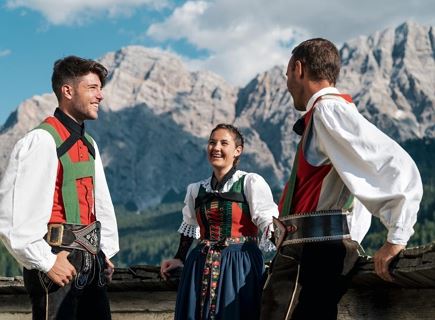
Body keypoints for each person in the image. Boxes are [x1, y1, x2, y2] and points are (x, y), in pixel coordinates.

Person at [260, 38, 423, 320]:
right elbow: (357, 179)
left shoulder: (328, 110)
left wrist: (397, 236)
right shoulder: (327, 113)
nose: (287, 83)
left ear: (299, 69)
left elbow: (395, 165)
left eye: (287, 74)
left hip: (309, 256)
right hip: (312, 254)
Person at [0, 56, 119, 320]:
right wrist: (46, 262)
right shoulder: (41, 140)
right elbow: (12, 218)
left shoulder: (89, 144)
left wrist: (103, 253)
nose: (100, 96)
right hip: (56, 261)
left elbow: (102, 204)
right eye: (92, 88)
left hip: (92, 264)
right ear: (67, 90)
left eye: (100, 89)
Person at [160, 123, 278, 320]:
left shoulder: (250, 182)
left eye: (224, 143)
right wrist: (179, 258)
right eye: (212, 142)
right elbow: (189, 226)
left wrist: (283, 259)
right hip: (199, 265)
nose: (216, 148)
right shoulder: (196, 190)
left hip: (240, 264)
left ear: (237, 151)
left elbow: (268, 222)